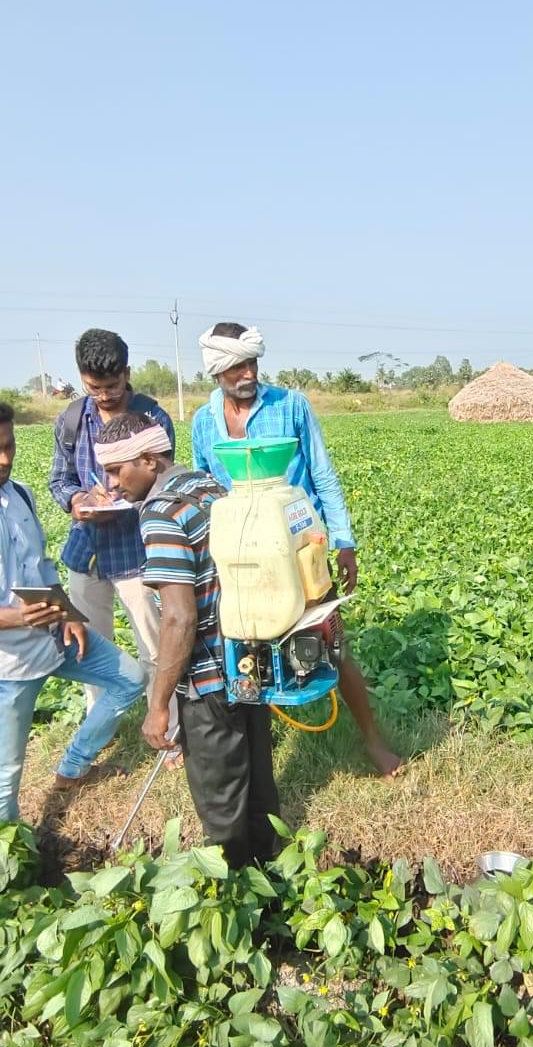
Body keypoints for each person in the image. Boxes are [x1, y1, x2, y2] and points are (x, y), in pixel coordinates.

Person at [189, 321, 404, 777]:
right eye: (236, 368)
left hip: (302, 550)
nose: (247, 374)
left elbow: (323, 475)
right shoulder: (204, 423)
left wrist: (344, 542)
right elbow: (205, 490)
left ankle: (373, 741)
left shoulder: (291, 406)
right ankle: (257, 754)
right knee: (247, 648)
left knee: (334, 641)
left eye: (252, 364)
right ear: (216, 372)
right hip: (244, 559)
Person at [0, 397, 147, 822]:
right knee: (4, 774)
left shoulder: (18, 493)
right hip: (4, 665)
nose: (3, 458)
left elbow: (40, 566)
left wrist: (67, 614)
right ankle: (5, 854)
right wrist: (20, 617)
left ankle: (73, 767)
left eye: (9, 445)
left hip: (53, 635)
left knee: (130, 678)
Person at [99, 410, 281, 868]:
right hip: (249, 659)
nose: (112, 484)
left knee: (222, 806)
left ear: (148, 459)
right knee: (259, 782)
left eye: (117, 470)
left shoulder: (161, 513)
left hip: (207, 679)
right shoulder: (208, 486)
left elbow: (180, 618)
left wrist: (159, 705)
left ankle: (238, 891)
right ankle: (274, 877)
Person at [48, 328, 180, 763]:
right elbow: (59, 481)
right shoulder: (71, 421)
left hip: (137, 551)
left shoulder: (152, 419)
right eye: (94, 387)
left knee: (155, 645)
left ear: (127, 374)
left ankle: (169, 730)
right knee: (91, 648)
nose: (104, 395)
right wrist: (78, 500)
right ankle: (100, 729)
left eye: (112, 386)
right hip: (87, 551)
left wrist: (123, 502)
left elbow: (160, 480)